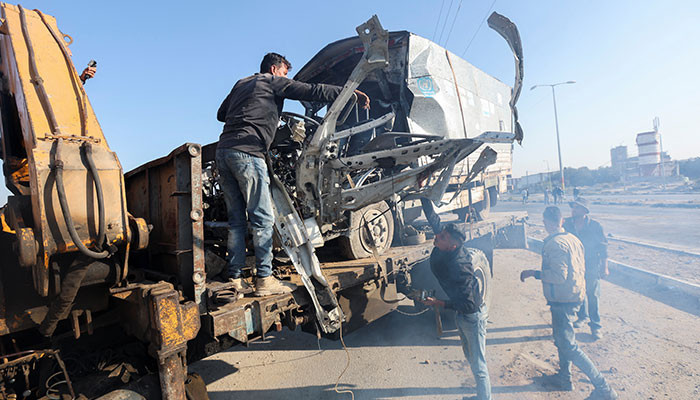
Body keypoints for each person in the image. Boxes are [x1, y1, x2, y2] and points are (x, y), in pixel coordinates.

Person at [216, 52, 369, 297]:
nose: (286, 78)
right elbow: (312, 91)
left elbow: (221, 114)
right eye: (285, 74)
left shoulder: (241, 83)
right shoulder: (270, 81)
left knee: (236, 221)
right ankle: (264, 279)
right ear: (275, 69)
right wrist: (350, 92)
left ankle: (235, 278)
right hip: (249, 153)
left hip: (224, 151)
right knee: (263, 219)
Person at [520, 207, 617, 399]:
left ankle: (603, 388)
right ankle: (564, 378)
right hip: (573, 295)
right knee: (562, 341)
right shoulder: (573, 238)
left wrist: (534, 273)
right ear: (562, 221)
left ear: (546, 222)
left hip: (563, 299)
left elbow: (559, 276)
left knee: (568, 345)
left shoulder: (555, 244)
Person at [419, 199, 491, 400]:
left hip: (472, 317)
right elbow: (434, 219)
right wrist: (424, 194)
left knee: (478, 365)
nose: (437, 237)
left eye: (442, 237)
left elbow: (469, 304)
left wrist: (438, 303)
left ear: (452, 246)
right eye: (440, 234)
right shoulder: (446, 243)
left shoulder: (460, 267)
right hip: (463, 315)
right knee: (471, 358)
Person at [564, 197, 609, 339]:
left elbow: (603, 248)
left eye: (577, 207)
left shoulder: (595, 226)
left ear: (584, 211)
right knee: (579, 291)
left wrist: (604, 267)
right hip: (574, 265)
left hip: (591, 265)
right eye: (573, 207)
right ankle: (582, 316)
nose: (573, 210)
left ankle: (596, 326)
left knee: (593, 295)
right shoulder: (567, 224)